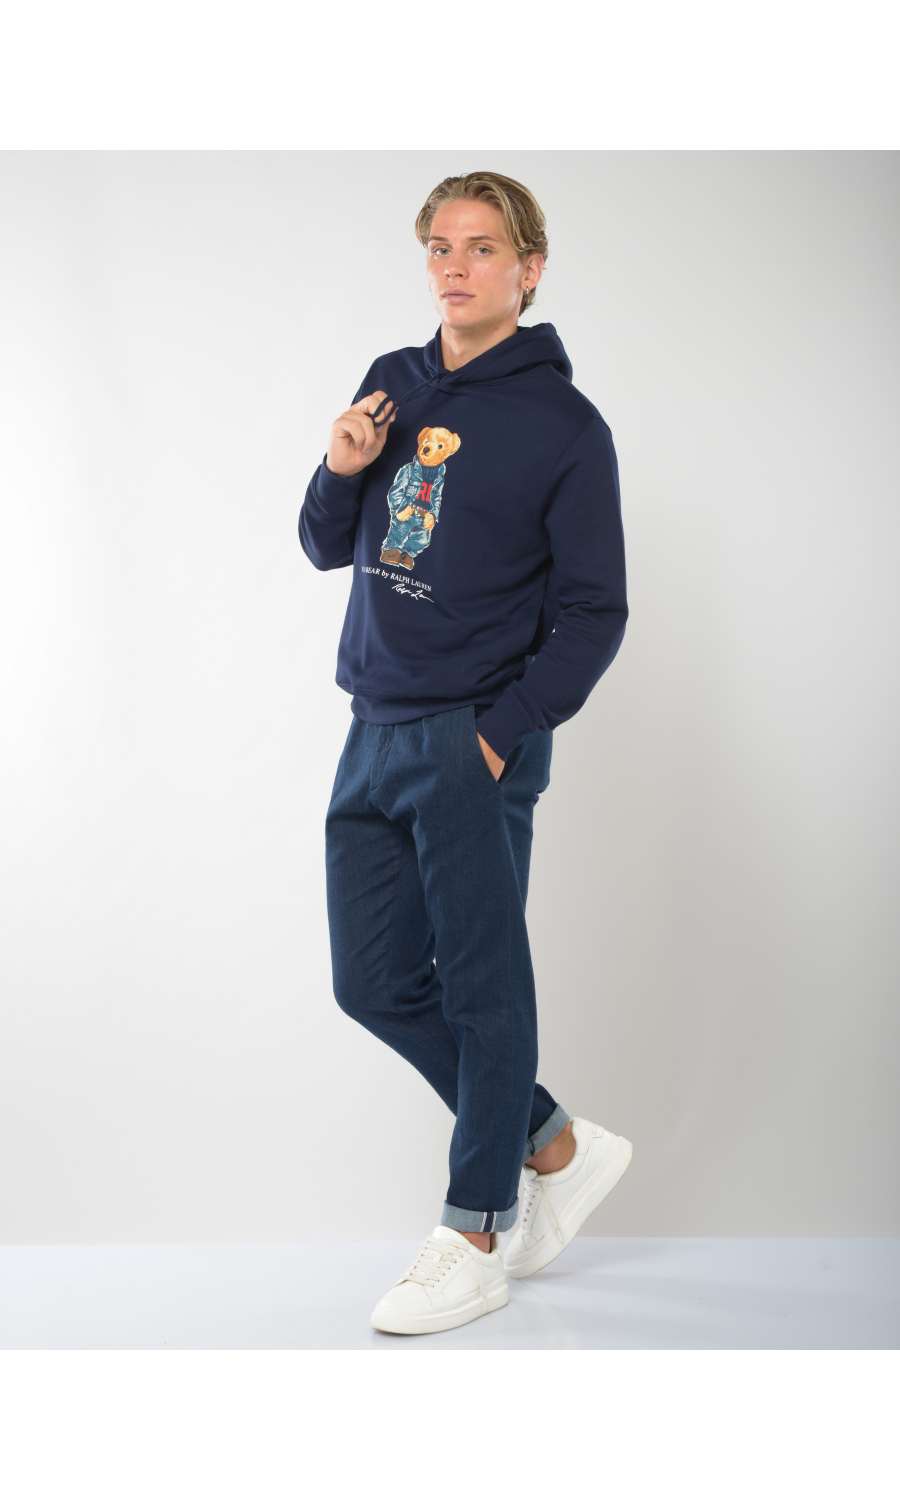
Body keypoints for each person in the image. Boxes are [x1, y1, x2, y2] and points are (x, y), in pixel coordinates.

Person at [298, 171, 632, 1336]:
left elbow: (595, 612)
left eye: (482, 248)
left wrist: (498, 735)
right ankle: (551, 1143)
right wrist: (340, 468)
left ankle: (477, 1234)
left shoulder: (566, 428)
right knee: (371, 980)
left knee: (484, 988)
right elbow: (323, 545)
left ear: (528, 269)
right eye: (440, 246)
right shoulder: (392, 381)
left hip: (471, 734)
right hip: (372, 723)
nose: (455, 266)